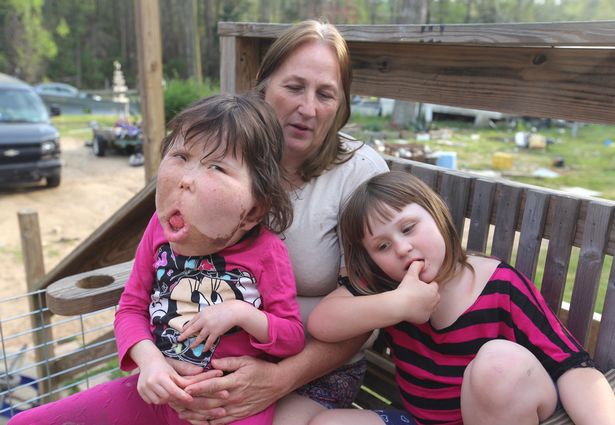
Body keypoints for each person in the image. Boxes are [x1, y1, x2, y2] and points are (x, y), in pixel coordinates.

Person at [9, 93, 305, 425]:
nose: (186, 179)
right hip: (157, 399)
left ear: (253, 211)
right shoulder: (157, 230)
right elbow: (131, 308)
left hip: (228, 409)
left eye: (217, 167)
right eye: (180, 155)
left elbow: (291, 337)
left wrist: (241, 313)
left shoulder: (267, 253)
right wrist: (149, 361)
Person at [167, 19, 389, 425]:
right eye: (294, 87)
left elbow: (367, 310)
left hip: (315, 370)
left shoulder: (360, 175)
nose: (308, 108)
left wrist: (277, 379)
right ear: (264, 85)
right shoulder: (227, 154)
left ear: (341, 105)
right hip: (207, 356)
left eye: (325, 94)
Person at [305, 170, 615, 425]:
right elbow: (322, 322)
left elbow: (573, 367)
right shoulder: (388, 287)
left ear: (437, 215)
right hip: (418, 420)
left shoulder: (500, 285)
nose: (401, 248)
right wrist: (399, 304)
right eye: (382, 246)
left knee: (499, 363)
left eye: (408, 228)